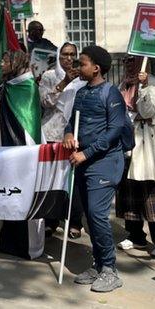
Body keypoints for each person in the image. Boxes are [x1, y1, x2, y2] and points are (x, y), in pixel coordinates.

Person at [63, 45, 126, 293]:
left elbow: (114, 131)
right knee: (90, 217)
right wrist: (69, 133)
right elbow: (72, 120)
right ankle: (99, 265)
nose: (78, 67)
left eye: (82, 63)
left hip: (105, 162)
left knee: (97, 214)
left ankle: (110, 270)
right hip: (82, 162)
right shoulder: (81, 93)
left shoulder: (111, 94)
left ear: (96, 68)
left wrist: (86, 153)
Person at [0, 50, 46, 259]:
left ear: (16, 63)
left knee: (25, 196)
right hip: (6, 149)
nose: (1, 62)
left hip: (24, 152)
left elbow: (29, 123)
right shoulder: (6, 87)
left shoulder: (27, 87)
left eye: (5, 60)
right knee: (7, 194)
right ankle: (5, 241)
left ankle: (28, 247)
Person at [115, 56, 155, 259]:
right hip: (128, 142)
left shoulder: (154, 82)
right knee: (130, 192)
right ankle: (135, 235)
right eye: (127, 61)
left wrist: (143, 86)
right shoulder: (122, 84)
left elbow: (147, 110)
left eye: (134, 61)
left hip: (148, 144)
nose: (130, 65)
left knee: (152, 191)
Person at [39, 42, 85, 238]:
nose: (68, 58)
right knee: (51, 181)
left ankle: (75, 220)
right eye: (64, 54)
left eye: (72, 55)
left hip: (74, 133)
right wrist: (64, 82)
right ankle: (51, 220)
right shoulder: (49, 76)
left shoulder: (83, 77)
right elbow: (44, 102)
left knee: (73, 181)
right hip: (52, 133)